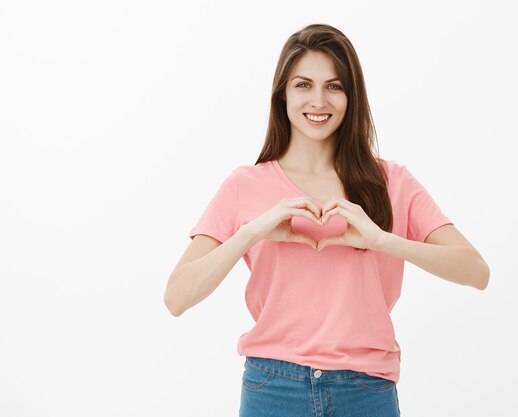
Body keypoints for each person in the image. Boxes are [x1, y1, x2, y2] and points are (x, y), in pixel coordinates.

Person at [164, 23, 489, 417]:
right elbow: (177, 297)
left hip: (365, 390)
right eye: (303, 85)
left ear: (352, 96)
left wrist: (381, 240)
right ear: (282, 94)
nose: (318, 101)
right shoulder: (244, 185)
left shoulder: (392, 181)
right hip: (273, 389)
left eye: (334, 86)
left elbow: (476, 271)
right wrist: (252, 232)